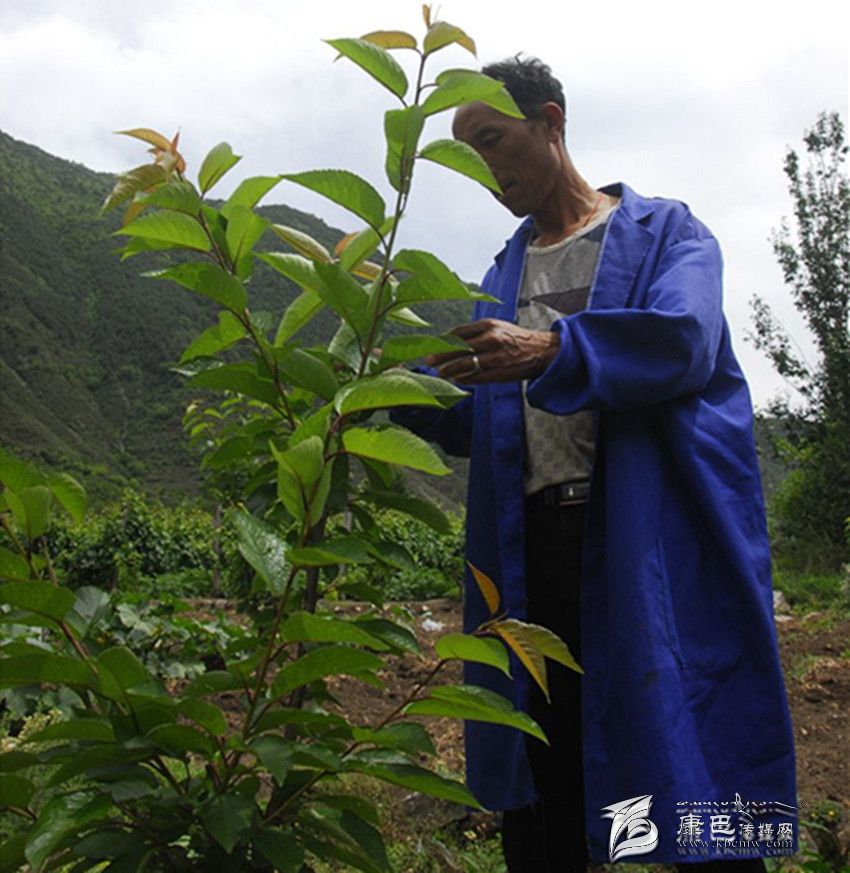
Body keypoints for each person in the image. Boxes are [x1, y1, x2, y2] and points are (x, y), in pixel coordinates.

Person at [391, 56, 799, 872]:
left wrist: (549, 348)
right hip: (536, 550)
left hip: (650, 542)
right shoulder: (500, 276)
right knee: (547, 757)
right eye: (466, 155)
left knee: (693, 736)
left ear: (550, 123)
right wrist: (388, 395)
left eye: (492, 140)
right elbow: (490, 418)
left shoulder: (666, 233)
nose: (484, 168)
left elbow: (682, 341)